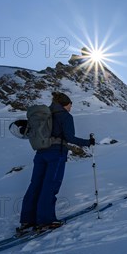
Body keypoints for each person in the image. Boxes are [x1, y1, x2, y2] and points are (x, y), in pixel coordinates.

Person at [19, 92, 94, 232]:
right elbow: (69, 137)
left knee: (35, 184)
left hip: (40, 153)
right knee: (50, 185)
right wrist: (88, 142)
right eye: (71, 105)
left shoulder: (46, 115)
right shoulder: (65, 116)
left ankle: (27, 220)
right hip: (56, 154)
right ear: (66, 104)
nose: (71, 108)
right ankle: (45, 220)